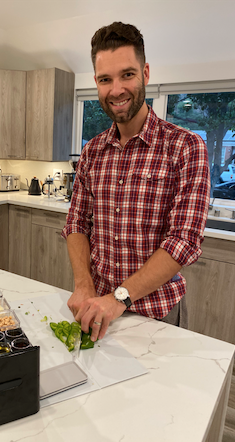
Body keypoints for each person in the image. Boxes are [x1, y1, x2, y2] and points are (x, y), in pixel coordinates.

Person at [61, 22, 210, 343]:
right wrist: (83, 283)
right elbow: (76, 222)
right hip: (95, 309)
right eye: (105, 79)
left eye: (127, 74)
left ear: (145, 73)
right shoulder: (92, 151)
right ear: (96, 83)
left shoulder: (185, 146)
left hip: (156, 314)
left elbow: (183, 240)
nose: (116, 90)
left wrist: (118, 299)